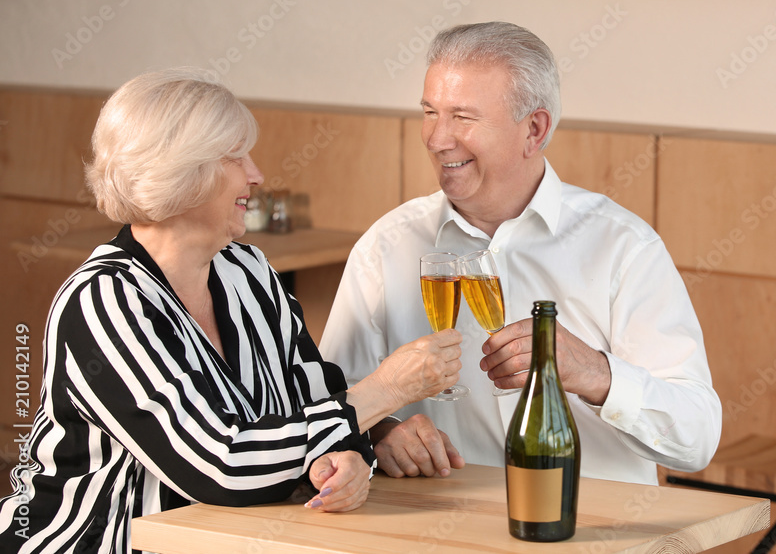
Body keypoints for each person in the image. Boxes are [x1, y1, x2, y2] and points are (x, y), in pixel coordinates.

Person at [0, 69, 462, 553]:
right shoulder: (105, 299)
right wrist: (386, 390)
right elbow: (221, 465)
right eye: (235, 157)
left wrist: (345, 457)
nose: (257, 174)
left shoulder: (248, 269)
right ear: (182, 171)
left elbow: (315, 398)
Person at [319, 22, 722, 486]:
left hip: (591, 535)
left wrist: (591, 371)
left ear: (534, 129)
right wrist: (378, 433)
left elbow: (697, 440)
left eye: (463, 118)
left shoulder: (622, 246)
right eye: (430, 112)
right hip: (441, 534)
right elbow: (330, 403)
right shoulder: (386, 246)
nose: (436, 138)